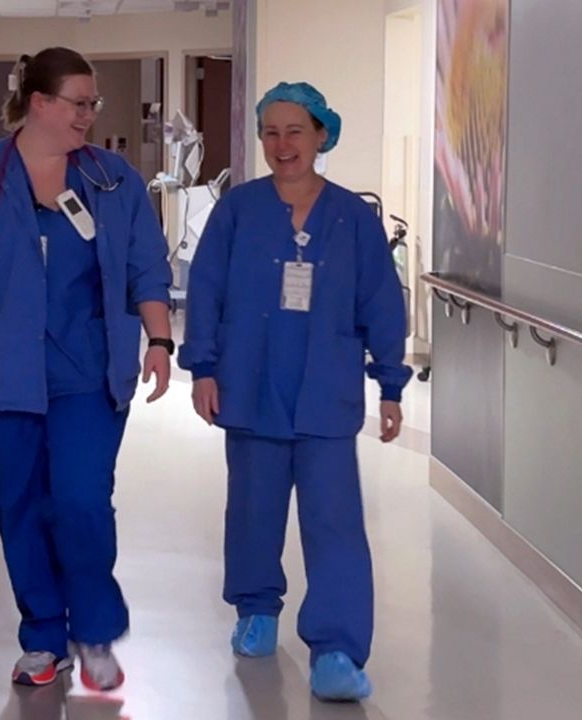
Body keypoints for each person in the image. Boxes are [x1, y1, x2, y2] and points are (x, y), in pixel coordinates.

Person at [0, 48, 173, 692]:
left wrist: (160, 340)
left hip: (88, 375)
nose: (89, 115)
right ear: (39, 103)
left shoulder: (112, 182)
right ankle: (44, 638)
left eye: (93, 103)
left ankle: (95, 630)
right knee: (21, 507)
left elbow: (146, 266)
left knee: (82, 502)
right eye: (79, 103)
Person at [179, 81, 411, 702]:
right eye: (271, 133)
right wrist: (203, 368)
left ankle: (336, 648)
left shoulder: (353, 218)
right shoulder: (238, 211)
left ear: (321, 135)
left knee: (335, 524)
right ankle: (256, 610)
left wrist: (390, 384)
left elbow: (381, 303)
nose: (282, 145)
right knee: (253, 512)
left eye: (295, 132)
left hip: (326, 396)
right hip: (250, 387)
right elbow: (206, 291)